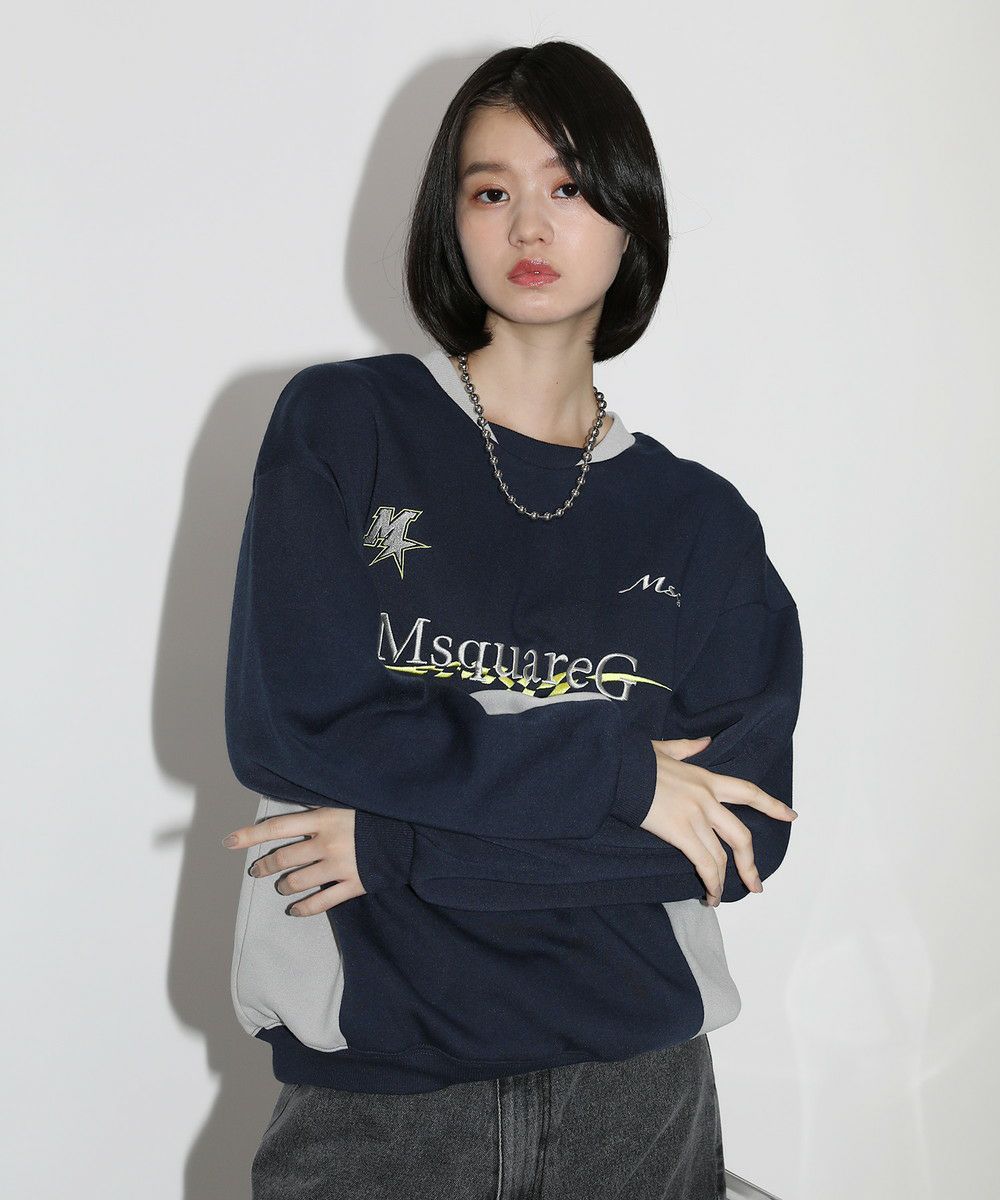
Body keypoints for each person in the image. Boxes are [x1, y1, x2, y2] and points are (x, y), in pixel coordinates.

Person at [221, 39, 803, 1200]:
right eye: (491, 192)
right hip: (385, 1106)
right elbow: (301, 729)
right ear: (451, 221)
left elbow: (738, 837)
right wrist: (621, 776)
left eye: (569, 187)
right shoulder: (345, 425)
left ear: (631, 221)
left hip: (635, 1103)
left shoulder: (699, 522)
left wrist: (403, 846)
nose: (530, 226)